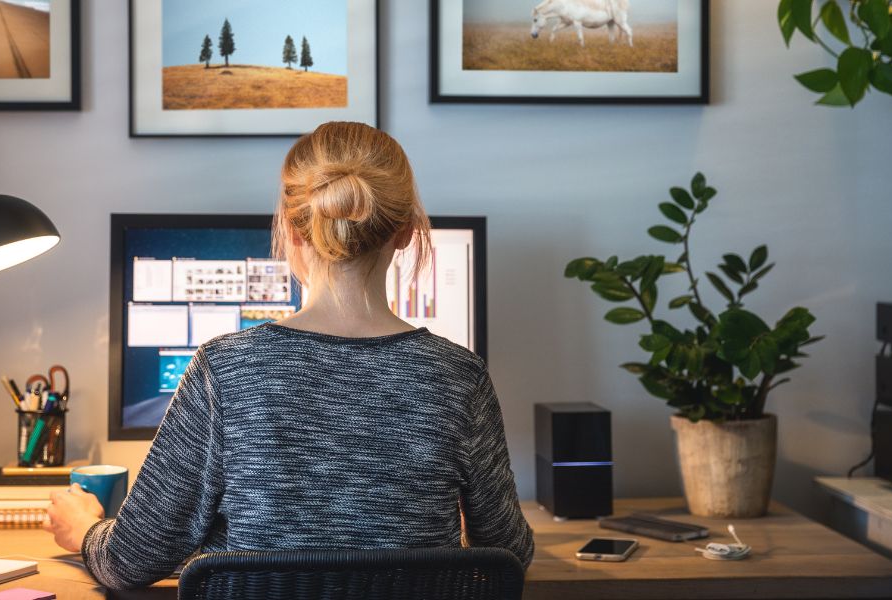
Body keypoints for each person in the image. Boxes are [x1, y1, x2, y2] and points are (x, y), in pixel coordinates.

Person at [45, 121, 534, 589]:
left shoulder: (225, 370)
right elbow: (508, 553)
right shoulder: (459, 376)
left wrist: (86, 529)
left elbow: (130, 561)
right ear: (406, 232)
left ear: (294, 231)